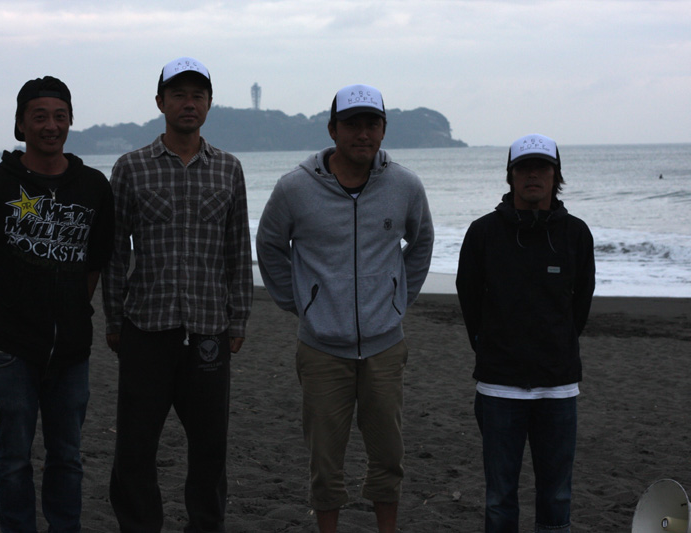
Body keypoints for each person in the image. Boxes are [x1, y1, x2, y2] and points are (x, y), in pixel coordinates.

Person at [256, 84, 434, 533]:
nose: (363, 133)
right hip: (321, 348)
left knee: (388, 455)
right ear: (333, 129)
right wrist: (299, 303)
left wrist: (398, 299)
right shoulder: (295, 188)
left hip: (384, 346)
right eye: (352, 124)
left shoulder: (405, 185)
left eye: (372, 124)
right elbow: (270, 245)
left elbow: (421, 242)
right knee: (325, 460)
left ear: (384, 129)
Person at [0, 75, 115, 532]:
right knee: (14, 457)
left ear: (71, 121)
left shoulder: (93, 186)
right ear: (21, 124)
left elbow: (96, 259)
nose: (50, 126)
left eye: (60, 116)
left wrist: (75, 307)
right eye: (39, 117)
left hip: (72, 351)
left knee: (67, 456)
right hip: (12, 348)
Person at [102, 57, 253, 532]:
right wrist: (113, 320)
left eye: (198, 95)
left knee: (210, 448)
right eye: (179, 95)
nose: (189, 103)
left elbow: (237, 249)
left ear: (209, 104)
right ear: (160, 102)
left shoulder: (228, 168)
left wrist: (238, 319)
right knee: (135, 446)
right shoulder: (131, 168)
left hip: (208, 328)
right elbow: (114, 251)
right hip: (145, 326)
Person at [456, 134, 595, 532]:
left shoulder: (576, 234)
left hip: (558, 387)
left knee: (557, 496)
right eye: (523, 168)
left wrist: (558, 345)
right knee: (500, 498)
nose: (533, 175)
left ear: (555, 175)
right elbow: (469, 299)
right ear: (511, 176)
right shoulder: (483, 233)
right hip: (499, 387)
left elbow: (580, 303)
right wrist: (491, 347)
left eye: (542, 168)